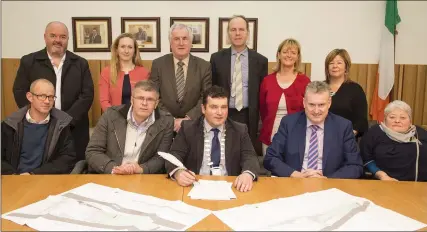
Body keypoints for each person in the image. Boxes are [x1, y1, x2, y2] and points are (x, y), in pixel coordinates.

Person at [13, 21, 94, 161]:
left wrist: (66, 121)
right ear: (45, 37)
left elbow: (87, 95)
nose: (58, 40)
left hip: (74, 128)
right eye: (53, 36)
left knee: (75, 170)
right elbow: (20, 91)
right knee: (40, 167)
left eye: (63, 37)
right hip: (38, 126)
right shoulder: (29, 61)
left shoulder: (80, 63)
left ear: (68, 39)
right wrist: (38, 116)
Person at [166, 86, 260, 192]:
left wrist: (247, 174)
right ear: (203, 108)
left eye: (224, 107)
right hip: (194, 186)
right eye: (214, 107)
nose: (220, 113)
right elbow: (174, 155)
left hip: (231, 187)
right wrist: (178, 172)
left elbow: (250, 157)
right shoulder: (188, 129)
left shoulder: (239, 130)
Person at [264, 81, 363, 179]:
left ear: (329, 103)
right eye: (311, 105)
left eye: (321, 105)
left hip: (329, 187)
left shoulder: (343, 126)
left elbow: (355, 166)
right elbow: (270, 158)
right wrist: (295, 175)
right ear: (304, 103)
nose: (316, 111)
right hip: (294, 183)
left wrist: (327, 180)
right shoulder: (289, 123)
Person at [86, 80, 174, 174]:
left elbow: (162, 157)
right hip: (110, 174)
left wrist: (141, 169)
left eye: (150, 99)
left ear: (156, 104)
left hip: (142, 178)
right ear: (132, 100)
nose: (144, 103)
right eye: (140, 98)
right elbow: (93, 151)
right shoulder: (110, 115)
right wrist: (114, 169)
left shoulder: (166, 121)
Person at [210, 15, 268, 152]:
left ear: (247, 33)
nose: (237, 33)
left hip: (249, 115)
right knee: (223, 149)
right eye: (233, 29)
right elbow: (212, 88)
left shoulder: (260, 60)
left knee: (246, 151)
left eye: (241, 29)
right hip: (224, 112)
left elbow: (263, 93)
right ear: (228, 33)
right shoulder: (216, 58)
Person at [2, 79, 76, 175]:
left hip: (45, 178)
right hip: (14, 179)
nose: (47, 101)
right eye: (42, 96)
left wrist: (34, 174)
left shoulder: (62, 124)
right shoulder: (10, 124)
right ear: (30, 97)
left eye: (51, 97)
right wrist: (14, 175)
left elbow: (67, 159)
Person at [150, 23, 211, 133]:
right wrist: (171, 120)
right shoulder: (158, 65)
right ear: (170, 43)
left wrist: (188, 119)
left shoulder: (204, 66)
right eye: (176, 39)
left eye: (185, 38)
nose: (181, 43)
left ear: (191, 42)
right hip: (163, 125)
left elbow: (205, 97)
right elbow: (154, 95)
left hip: (194, 125)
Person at [259, 38, 310, 155]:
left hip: (296, 137)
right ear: (279, 55)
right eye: (285, 52)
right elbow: (262, 110)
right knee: (270, 170)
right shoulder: (267, 81)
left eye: (293, 53)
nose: (289, 55)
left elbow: (308, 110)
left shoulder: (305, 81)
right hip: (269, 137)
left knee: (292, 172)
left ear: (298, 57)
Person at [360, 100, 427, 181]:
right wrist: (381, 175)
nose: (397, 121)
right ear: (385, 119)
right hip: (383, 183)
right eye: (392, 117)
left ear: (410, 120)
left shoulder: (420, 133)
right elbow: (366, 159)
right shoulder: (374, 133)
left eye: (403, 117)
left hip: (417, 185)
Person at [99, 33, 150, 112]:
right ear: (117, 49)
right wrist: (115, 118)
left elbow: (147, 100)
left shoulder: (144, 73)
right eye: (122, 47)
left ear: (134, 51)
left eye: (130, 47)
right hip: (113, 119)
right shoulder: (106, 72)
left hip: (139, 120)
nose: (126, 51)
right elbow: (104, 101)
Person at [325, 48, 368, 139]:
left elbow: (361, 121)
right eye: (331, 63)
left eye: (339, 63)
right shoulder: (319, 87)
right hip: (319, 138)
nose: (335, 66)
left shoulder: (355, 89)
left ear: (346, 67)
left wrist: (347, 137)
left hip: (346, 138)